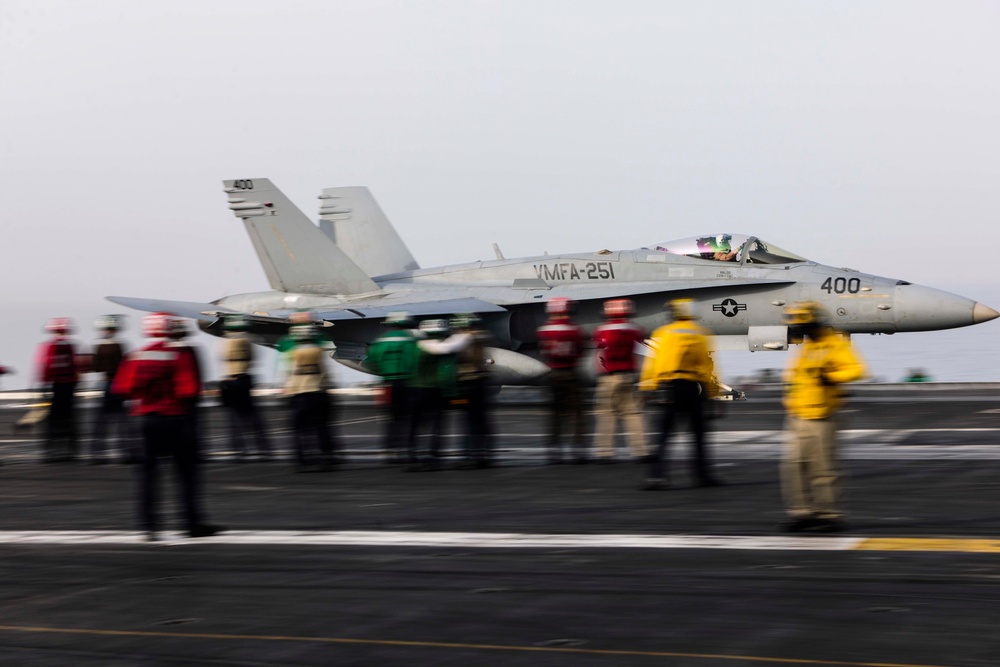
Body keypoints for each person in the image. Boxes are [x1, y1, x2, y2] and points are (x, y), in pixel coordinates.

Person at [112, 312, 222, 541]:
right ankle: (191, 524)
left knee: (148, 476)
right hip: (175, 419)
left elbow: (122, 389)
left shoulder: (136, 355)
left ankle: (149, 527)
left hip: (143, 421)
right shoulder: (179, 354)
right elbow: (189, 390)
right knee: (185, 475)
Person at [780, 301, 866, 533]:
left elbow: (857, 369)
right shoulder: (807, 346)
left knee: (823, 467)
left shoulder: (834, 343)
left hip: (822, 415)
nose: (800, 331)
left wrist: (832, 377)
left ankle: (829, 514)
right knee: (794, 466)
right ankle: (802, 513)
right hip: (798, 415)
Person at [639, 299, 720, 489]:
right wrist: (713, 394)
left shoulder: (663, 333)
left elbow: (652, 364)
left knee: (664, 435)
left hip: (669, 389)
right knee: (698, 435)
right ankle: (702, 476)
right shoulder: (702, 333)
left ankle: (656, 477)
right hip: (693, 388)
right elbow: (709, 367)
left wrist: (647, 389)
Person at [419, 314, 494, 468]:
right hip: (481, 384)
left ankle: (470, 457)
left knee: (468, 422)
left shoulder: (464, 338)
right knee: (481, 422)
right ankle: (483, 455)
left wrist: (423, 342)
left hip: (469, 385)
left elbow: (444, 348)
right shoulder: (481, 336)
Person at [593, 299, 647, 463]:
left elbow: (600, 352)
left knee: (606, 415)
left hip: (609, 377)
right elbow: (638, 343)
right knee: (633, 414)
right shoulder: (634, 330)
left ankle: (604, 452)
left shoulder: (601, 330)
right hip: (628, 376)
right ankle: (641, 451)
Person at [537, 297, 589, 464]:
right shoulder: (574, 330)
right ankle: (578, 449)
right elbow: (580, 350)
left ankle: (553, 449)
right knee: (577, 414)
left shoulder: (544, 330)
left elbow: (542, 350)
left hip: (554, 375)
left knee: (555, 414)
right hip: (571, 374)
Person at [366, 312, 420, 464]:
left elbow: (371, 361)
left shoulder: (380, 341)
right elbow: (414, 360)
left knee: (391, 418)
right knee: (408, 417)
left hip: (388, 383)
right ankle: (406, 449)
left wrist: (384, 372)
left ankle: (389, 449)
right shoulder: (411, 340)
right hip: (407, 382)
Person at [218, 314, 272, 461]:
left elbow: (221, 357)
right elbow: (253, 356)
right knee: (252, 417)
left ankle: (238, 449)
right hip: (244, 379)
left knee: (234, 419)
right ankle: (263, 448)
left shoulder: (225, 342)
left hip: (230, 380)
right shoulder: (247, 340)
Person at [285, 323, 337, 471]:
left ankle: (302, 460)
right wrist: (327, 388)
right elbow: (324, 372)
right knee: (321, 428)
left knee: (299, 430)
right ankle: (327, 459)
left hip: (300, 394)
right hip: (318, 393)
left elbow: (292, 374)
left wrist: (289, 394)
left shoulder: (293, 352)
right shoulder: (317, 351)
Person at [407, 319, 457, 471]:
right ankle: (432, 458)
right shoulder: (442, 347)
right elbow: (447, 371)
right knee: (435, 426)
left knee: (415, 426)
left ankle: (413, 458)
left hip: (414, 390)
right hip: (434, 390)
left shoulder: (415, 345)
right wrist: (451, 392)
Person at [89, 314, 135, 464]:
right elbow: (126, 365)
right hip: (119, 383)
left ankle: (97, 452)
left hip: (107, 383)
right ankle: (126, 451)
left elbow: (95, 368)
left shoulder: (99, 346)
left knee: (102, 421)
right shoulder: (120, 345)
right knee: (123, 420)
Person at [35, 317, 81, 463]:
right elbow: (76, 366)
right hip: (68, 387)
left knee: (52, 420)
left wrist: (43, 384)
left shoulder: (49, 346)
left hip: (55, 386)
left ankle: (51, 451)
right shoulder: (71, 346)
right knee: (70, 419)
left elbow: (45, 365)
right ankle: (71, 450)